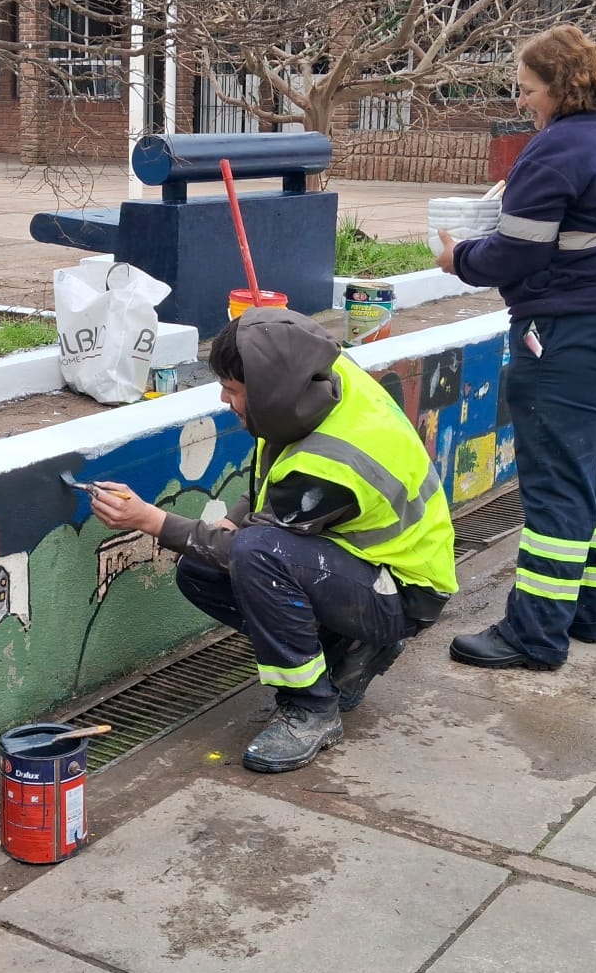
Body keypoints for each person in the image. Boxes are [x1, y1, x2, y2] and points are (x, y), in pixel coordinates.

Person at [87, 309, 457, 772]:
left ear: (269, 392)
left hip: (403, 593)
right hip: (360, 566)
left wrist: (150, 519)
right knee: (202, 570)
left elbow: (255, 545)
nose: (225, 400)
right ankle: (351, 648)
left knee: (251, 554)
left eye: (234, 391)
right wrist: (236, 522)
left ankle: (311, 710)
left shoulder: (329, 466)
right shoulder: (316, 380)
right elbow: (270, 484)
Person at [436, 24, 596, 673]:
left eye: (528, 89)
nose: (523, 102)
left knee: (556, 483)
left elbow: (514, 249)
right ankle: (587, 613)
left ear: (559, 85)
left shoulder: (557, 150)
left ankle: (534, 633)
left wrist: (456, 257)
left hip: (581, 331)